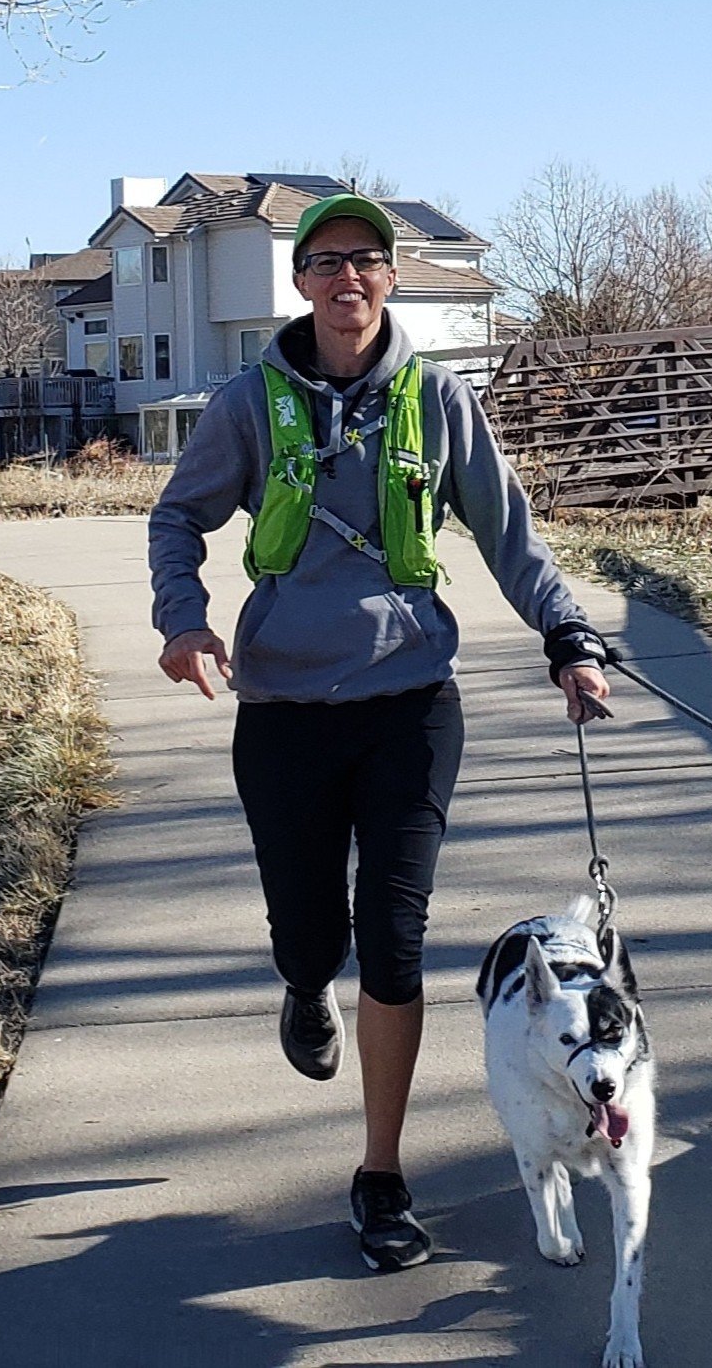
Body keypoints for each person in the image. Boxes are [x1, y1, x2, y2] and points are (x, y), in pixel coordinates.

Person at [147, 191, 612, 1272]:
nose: (346, 278)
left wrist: (569, 636)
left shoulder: (439, 397)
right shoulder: (249, 401)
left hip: (409, 705)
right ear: (299, 282)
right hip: (283, 712)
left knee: (393, 942)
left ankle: (381, 1173)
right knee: (312, 935)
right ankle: (305, 982)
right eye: (325, 262)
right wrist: (184, 620)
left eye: (366, 260)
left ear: (391, 279)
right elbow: (178, 515)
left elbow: (510, 534)